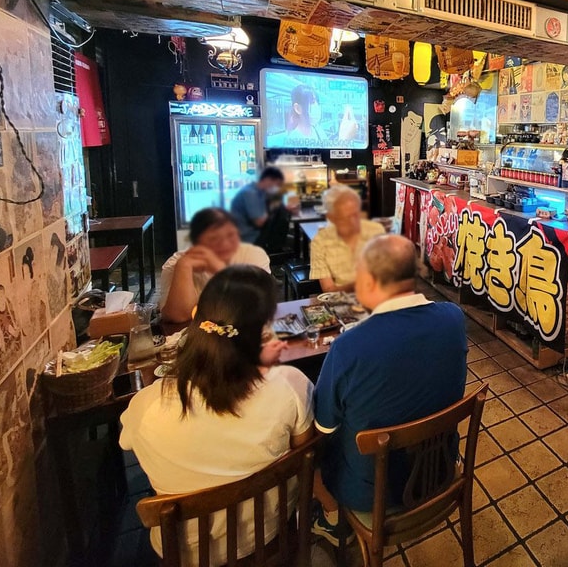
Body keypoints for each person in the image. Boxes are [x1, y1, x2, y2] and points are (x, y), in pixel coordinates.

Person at [120, 266, 313, 565]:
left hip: (185, 554)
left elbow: (127, 442)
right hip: (271, 536)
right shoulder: (290, 385)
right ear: (264, 330)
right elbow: (304, 451)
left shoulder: (146, 408)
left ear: (196, 316)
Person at [311, 234, 467, 542]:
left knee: (306, 448)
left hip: (371, 493)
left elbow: (323, 428)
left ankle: (332, 518)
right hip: (440, 470)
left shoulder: (347, 347)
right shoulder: (453, 318)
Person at [160, 208, 270, 324]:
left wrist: (220, 270)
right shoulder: (177, 263)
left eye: (230, 235)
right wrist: (184, 266)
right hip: (195, 337)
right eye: (213, 238)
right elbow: (178, 317)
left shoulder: (253, 256)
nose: (225, 243)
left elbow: (257, 306)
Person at [309, 186, 385, 292]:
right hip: (341, 300)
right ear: (331, 217)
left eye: (356, 214)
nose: (354, 222)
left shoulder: (375, 231)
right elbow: (328, 289)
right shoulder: (320, 242)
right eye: (346, 217)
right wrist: (360, 285)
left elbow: (386, 275)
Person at [230, 166, 286, 244]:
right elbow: (259, 222)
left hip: (254, 234)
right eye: (277, 184)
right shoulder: (250, 193)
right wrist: (272, 207)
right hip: (248, 238)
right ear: (268, 180)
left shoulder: (259, 192)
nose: (277, 188)